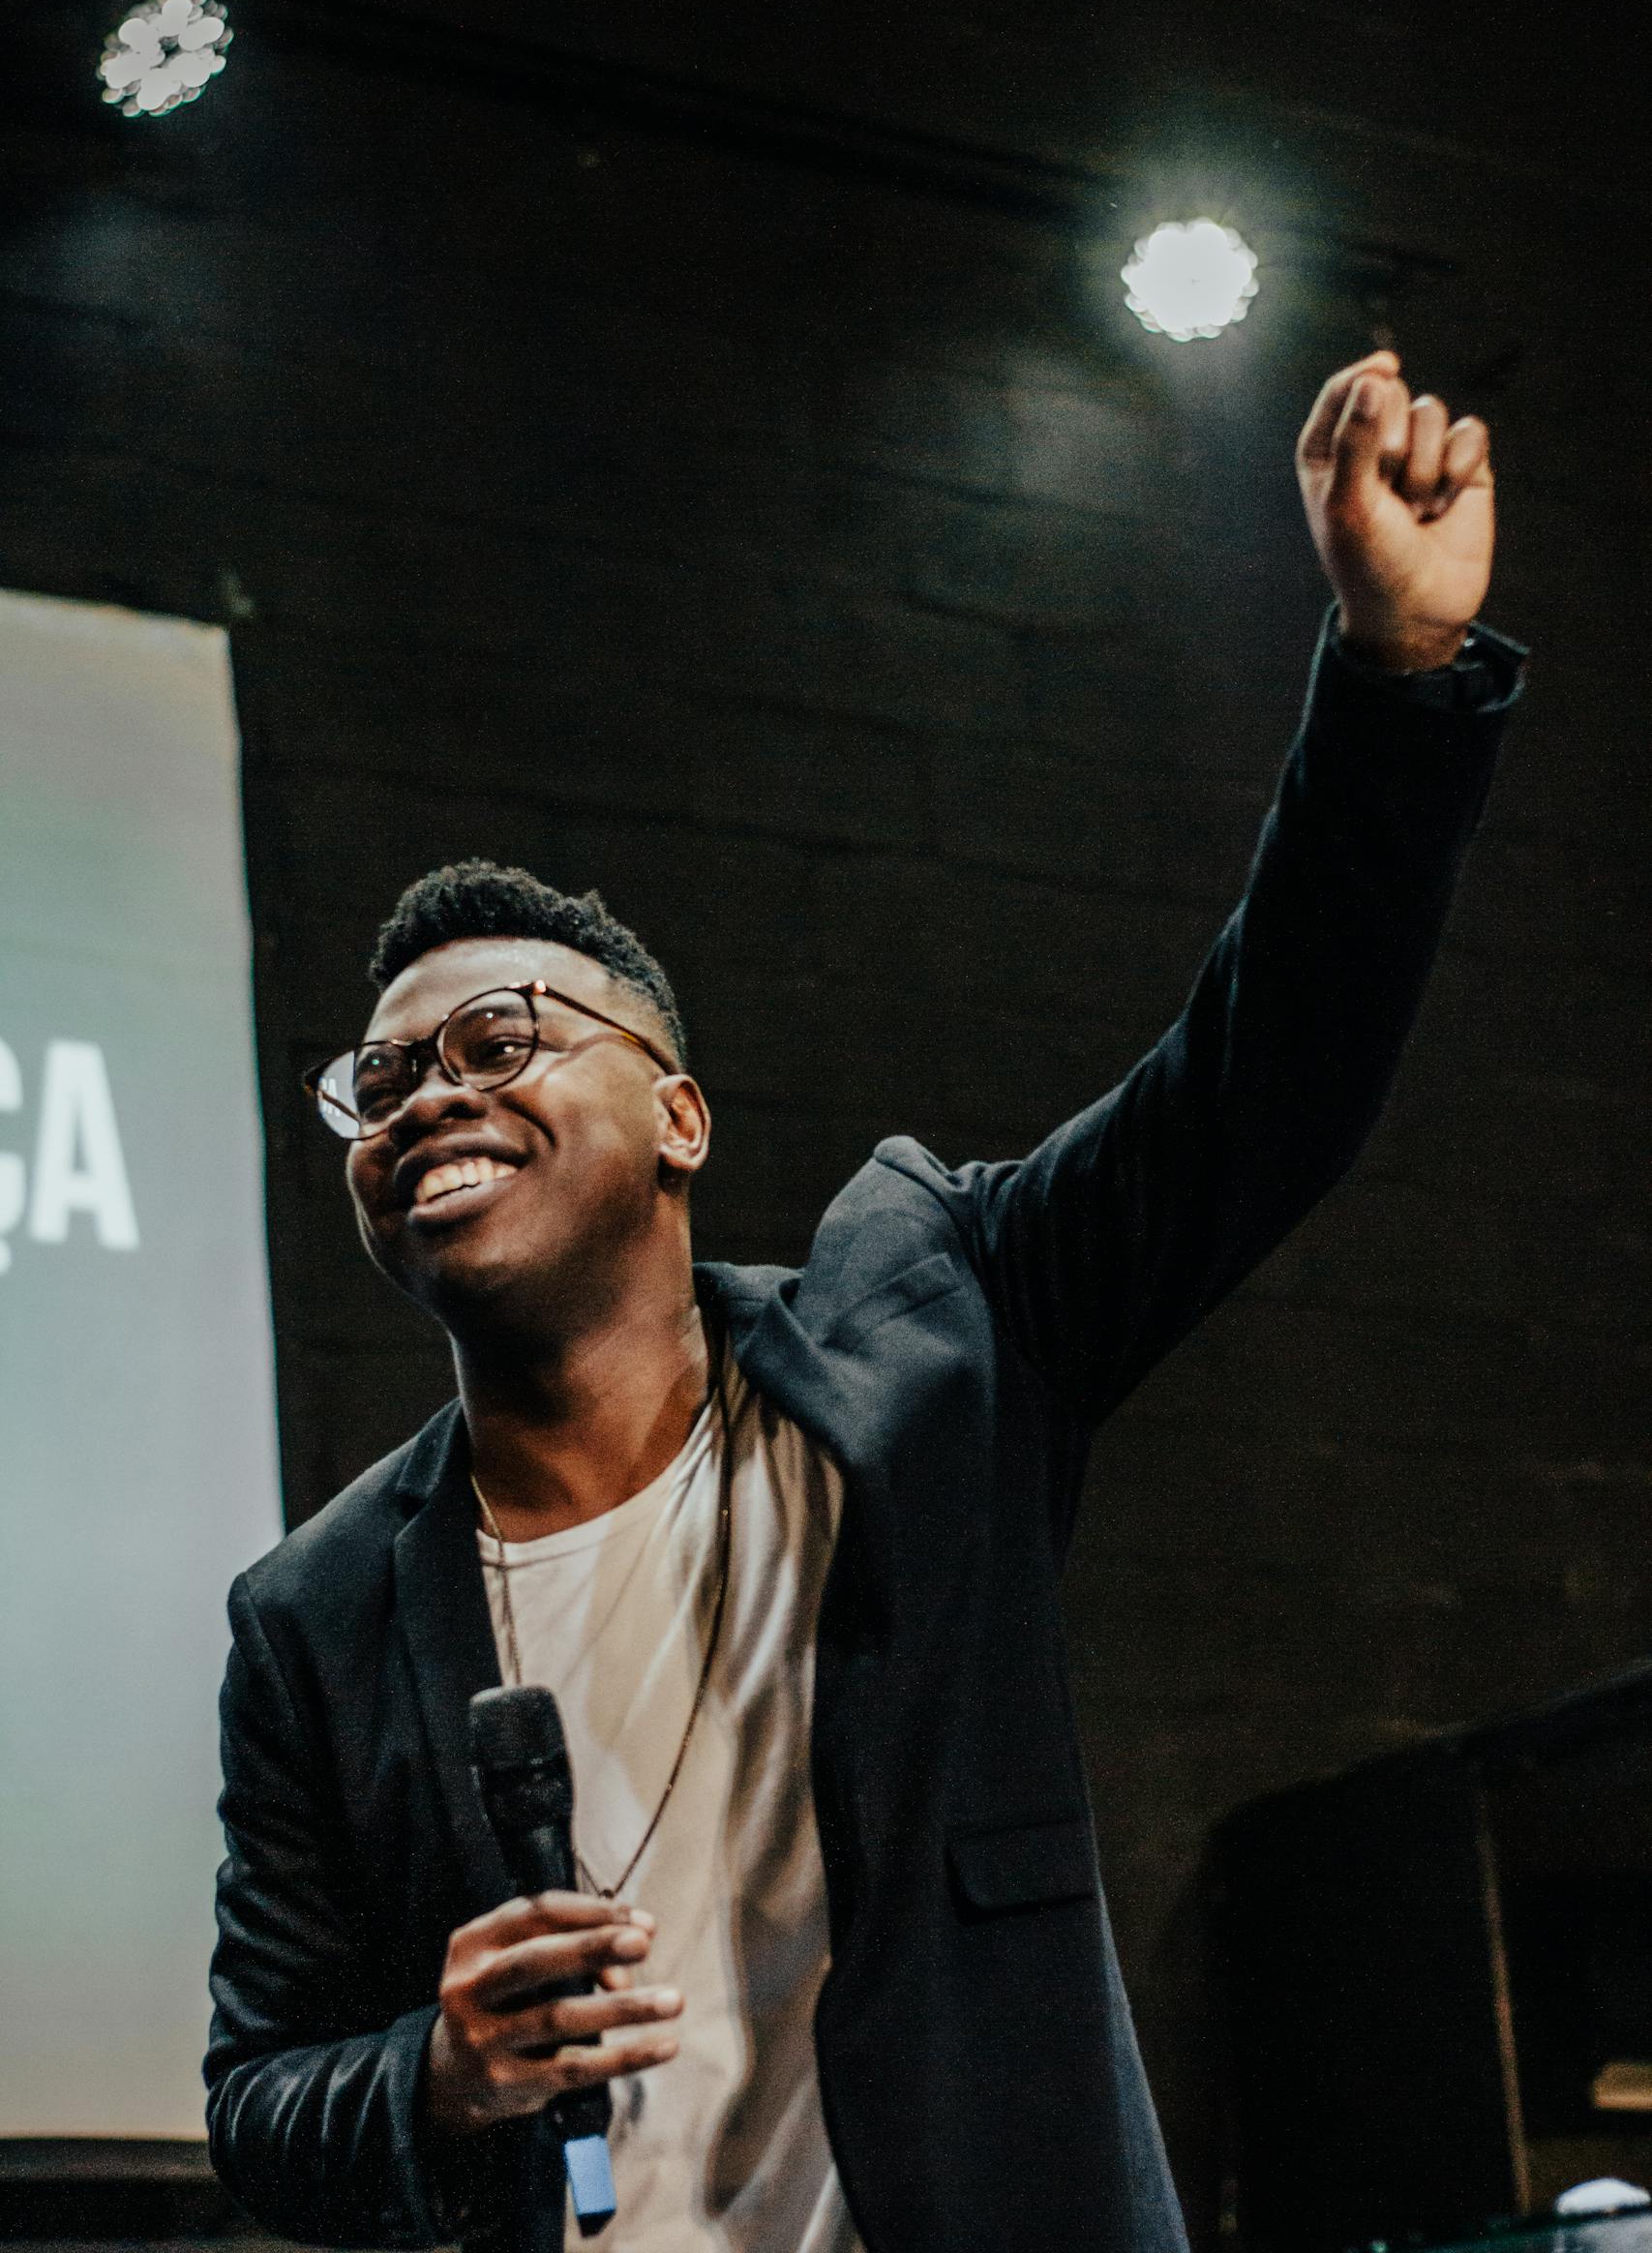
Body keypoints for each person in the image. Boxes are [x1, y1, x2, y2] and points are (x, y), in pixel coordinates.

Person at [205, 352, 1524, 2253]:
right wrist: (436, 2067)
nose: (427, 1094)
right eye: (380, 1077)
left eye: (495, 1037)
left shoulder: (936, 1334)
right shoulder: (313, 1612)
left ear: (676, 1113)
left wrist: (1394, 688)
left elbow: (1264, 1076)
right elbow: (256, 2095)